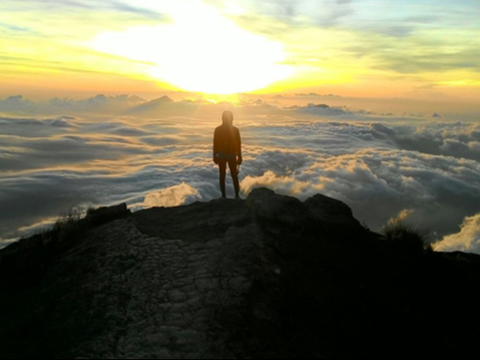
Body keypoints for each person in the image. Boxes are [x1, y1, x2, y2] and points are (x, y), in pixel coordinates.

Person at [213, 111, 242, 199]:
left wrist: (214, 155)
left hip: (222, 155)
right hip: (231, 155)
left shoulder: (218, 130)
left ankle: (224, 196)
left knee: (222, 176)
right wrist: (239, 156)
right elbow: (238, 144)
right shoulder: (235, 130)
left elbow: (215, 144)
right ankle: (236, 196)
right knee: (234, 176)